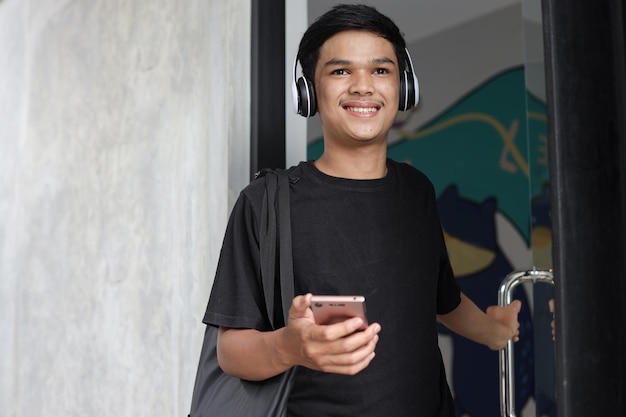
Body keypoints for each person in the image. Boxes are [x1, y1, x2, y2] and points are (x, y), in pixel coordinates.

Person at [203, 4, 521, 416]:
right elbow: (231, 351)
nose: (362, 87)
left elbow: (443, 301)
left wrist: (495, 332)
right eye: (340, 71)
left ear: (404, 88)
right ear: (308, 91)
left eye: (380, 70)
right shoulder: (265, 202)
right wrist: (289, 346)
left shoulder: (417, 191)